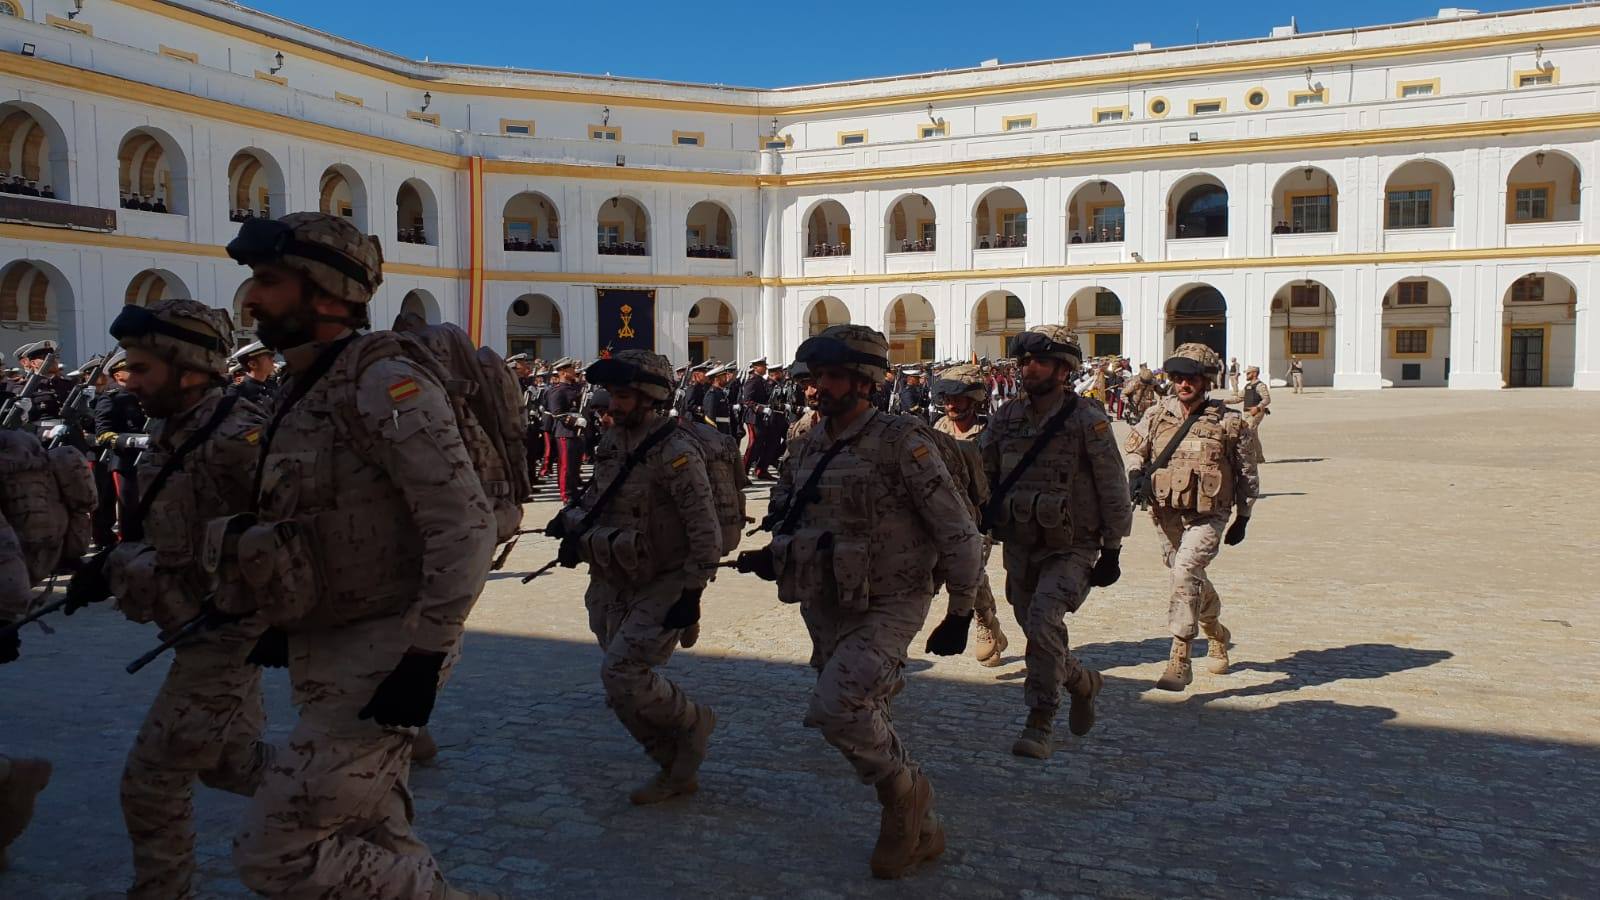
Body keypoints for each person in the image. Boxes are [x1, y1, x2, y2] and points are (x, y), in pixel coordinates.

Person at [223, 211, 497, 899]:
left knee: (277, 852)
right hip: (330, 639)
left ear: (325, 293)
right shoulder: (305, 383)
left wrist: (426, 655)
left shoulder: (381, 381)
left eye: (268, 282)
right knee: (372, 826)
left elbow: (463, 522)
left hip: (384, 652)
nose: (252, 300)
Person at [768, 324, 982, 879]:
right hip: (826, 598)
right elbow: (788, 512)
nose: (818, 389)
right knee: (866, 705)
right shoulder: (805, 440)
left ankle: (903, 798)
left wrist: (961, 610)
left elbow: (957, 529)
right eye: (814, 378)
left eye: (833, 376)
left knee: (837, 706)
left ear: (865, 382)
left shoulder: (901, 443)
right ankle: (927, 828)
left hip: (893, 598)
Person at [92, 299, 276, 900]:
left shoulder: (239, 436)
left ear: (190, 368)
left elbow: (290, 533)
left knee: (150, 781)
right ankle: (341, 793)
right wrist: (118, 566)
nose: (130, 382)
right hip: (196, 627)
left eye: (141, 369)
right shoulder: (179, 425)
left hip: (225, 637)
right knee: (229, 763)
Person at [560, 350, 722, 804]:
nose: (613, 404)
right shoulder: (614, 442)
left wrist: (692, 594)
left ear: (650, 397)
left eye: (624, 395)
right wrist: (570, 522)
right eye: (612, 393)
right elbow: (597, 493)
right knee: (619, 686)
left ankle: (692, 721)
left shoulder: (676, 450)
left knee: (622, 671)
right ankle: (673, 765)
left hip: (664, 578)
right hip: (614, 574)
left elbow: (703, 527)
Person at [979, 328, 1131, 758]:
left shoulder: (1087, 419)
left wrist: (1113, 549)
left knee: (1044, 622)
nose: (1028, 369)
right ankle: (1083, 682)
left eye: (1039, 362)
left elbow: (1112, 484)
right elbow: (982, 468)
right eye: (1024, 362)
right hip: (1022, 544)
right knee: (1038, 635)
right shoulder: (1007, 416)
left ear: (1064, 369)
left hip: (1073, 546)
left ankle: (1040, 719)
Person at [1123, 343, 1259, 692]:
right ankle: (1217, 631)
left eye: (1192, 379)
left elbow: (1246, 471)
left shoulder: (1229, 422)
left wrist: (1243, 516)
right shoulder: (1156, 414)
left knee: (1184, 571)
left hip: (1209, 514)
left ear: (1206, 381)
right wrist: (1136, 473)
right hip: (1165, 512)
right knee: (1186, 575)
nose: (1184, 385)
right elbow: (1136, 449)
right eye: (1178, 378)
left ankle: (1180, 656)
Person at [929, 363, 1010, 668]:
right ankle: (989, 621)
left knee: (970, 571)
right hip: (945, 516)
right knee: (961, 572)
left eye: (959, 398)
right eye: (947, 398)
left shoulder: (992, 433)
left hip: (981, 516)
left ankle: (985, 625)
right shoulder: (937, 429)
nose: (951, 404)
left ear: (975, 399)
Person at [545, 358, 582, 501]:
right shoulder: (557, 391)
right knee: (566, 466)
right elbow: (557, 413)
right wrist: (575, 420)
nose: (574, 371)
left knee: (575, 466)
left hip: (577, 431)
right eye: (571, 369)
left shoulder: (573, 388)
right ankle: (566, 495)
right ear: (563, 372)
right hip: (565, 432)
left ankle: (573, 491)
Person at [740, 356, 770, 475]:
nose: (766, 368)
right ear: (757, 367)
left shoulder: (761, 380)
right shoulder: (753, 381)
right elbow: (747, 400)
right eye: (763, 366)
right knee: (753, 444)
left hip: (760, 416)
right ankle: (743, 471)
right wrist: (761, 409)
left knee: (759, 443)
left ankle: (757, 468)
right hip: (753, 417)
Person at [227, 341, 279, 406]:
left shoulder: (272, 384)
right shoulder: (238, 389)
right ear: (253, 364)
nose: (273, 360)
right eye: (269, 358)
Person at [1241, 365, 1270, 464]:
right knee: (1253, 435)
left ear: (1254, 373)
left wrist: (1258, 407)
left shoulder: (1260, 385)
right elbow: (1239, 398)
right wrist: (1223, 401)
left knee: (1248, 432)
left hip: (1256, 413)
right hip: (1247, 413)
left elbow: (1267, 399)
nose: (1246, 375)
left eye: (1248, 373)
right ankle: (1259, 458)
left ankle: (1248, 458)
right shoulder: (1247, 386)